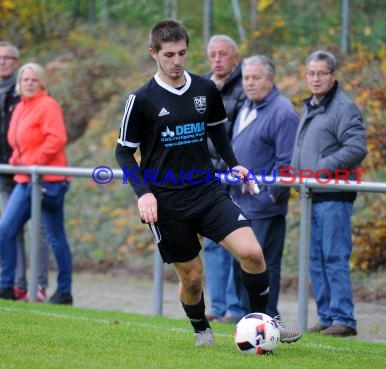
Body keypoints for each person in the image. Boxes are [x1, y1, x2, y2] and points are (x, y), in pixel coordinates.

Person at [114, 19, 300, 346]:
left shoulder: (205, 89)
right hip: (168, 203)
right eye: (169, 54)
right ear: (153, 53)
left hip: (208, 193)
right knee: (193, 279)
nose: (176, 61)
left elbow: (218, 131)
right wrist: (144, 194)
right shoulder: (140, 99)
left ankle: (265, 324)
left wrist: (235, 165)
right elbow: (124, 153)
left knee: (253, 253)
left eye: (182, 53)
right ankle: (202, 330)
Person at [291, 50, 368, 337]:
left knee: (334, 257)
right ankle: (326, 316)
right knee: (315, 259)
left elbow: (357, 147)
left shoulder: (343, 108)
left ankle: (344, 319)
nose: (316, 78)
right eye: (311, 73)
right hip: (311, 195)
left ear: (332, 75)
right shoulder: (310, 106)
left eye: (321, 73)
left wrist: (321, 168)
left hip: (334, 196)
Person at [0, 62, 73, 305]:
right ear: (19, 83)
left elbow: (56, 139)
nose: (28, 83)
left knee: (55, 236)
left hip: (49, 180)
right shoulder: (20, 107)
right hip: (26, 179)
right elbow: (20, 141)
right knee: (6, 229)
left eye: (33, 80)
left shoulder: (48, 105)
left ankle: (64, 292)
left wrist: (33, 162)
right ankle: (7, 286)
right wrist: (18, 158)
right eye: (25, 79)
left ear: (42, 83)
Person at [229, 55, 299, 320]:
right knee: (243, 266)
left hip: (264, 208)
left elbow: (287, 162)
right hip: (238, 204)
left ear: (270, 79)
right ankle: (248, 321)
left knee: (264, 266)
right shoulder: (244, 106)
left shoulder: (283, 112)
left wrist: (271, 196)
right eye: (246, 78)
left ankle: (267, 320)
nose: (249, 83)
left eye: (256, 78)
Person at [0, 41, 51, 302]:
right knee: (9, 230)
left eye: (7, 58)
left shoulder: (27, 89)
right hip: (4, 172)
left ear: (16, 61)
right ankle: (16, 285)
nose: (2, 62)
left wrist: (31, 160)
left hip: (31, 174)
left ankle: (39, 286)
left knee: (37, 230)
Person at [201, 34, 247, 324]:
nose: (217, 60)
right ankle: (216, 307)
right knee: (211, 243)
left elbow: (233, 135)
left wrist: (228, 165)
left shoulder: (245, 88)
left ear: (235, 57)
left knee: (233, 241)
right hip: (206, 177)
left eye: (222, 54)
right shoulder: (202, 87)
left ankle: (233, 308)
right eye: (212, 54)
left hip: (230, 175)